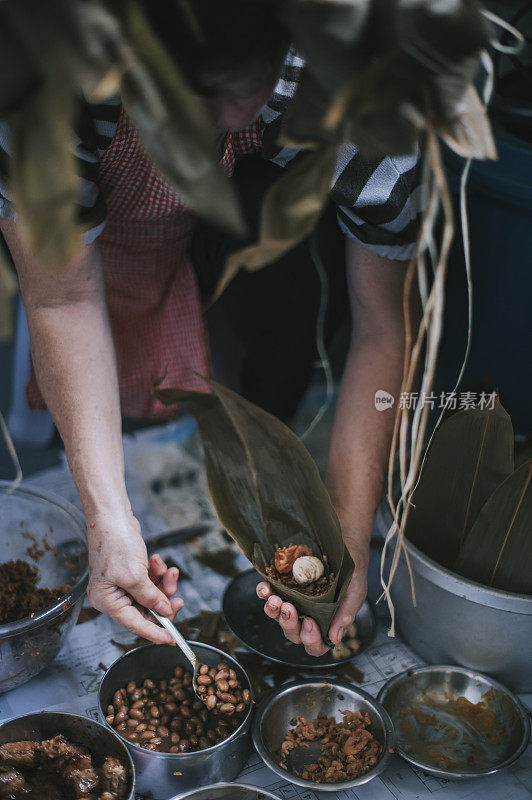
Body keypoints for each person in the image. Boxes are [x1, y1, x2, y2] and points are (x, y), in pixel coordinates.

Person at [0, 0, 421, 654]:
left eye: (222, 94)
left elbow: (383, 328)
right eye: (157, 92)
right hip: (109, 258)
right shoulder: (41, 77)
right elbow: (62, 299)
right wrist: (109, 520)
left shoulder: (364, 92)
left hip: (240, 235)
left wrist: (346, 534)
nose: (186, 131)